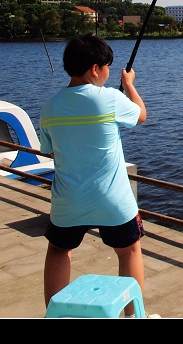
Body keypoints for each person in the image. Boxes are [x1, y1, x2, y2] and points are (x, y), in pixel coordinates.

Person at [40, 33, 147, 317]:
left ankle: (56, 314)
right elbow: (140, 115)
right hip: (112, 201)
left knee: (59, 251)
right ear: (95, 69)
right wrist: (129, 85)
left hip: (68, 200)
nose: (108, 72)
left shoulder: (50, 106)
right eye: (107, 67)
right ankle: (133, 315)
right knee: (129, 251)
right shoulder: (110, 98)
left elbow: (50, 150)